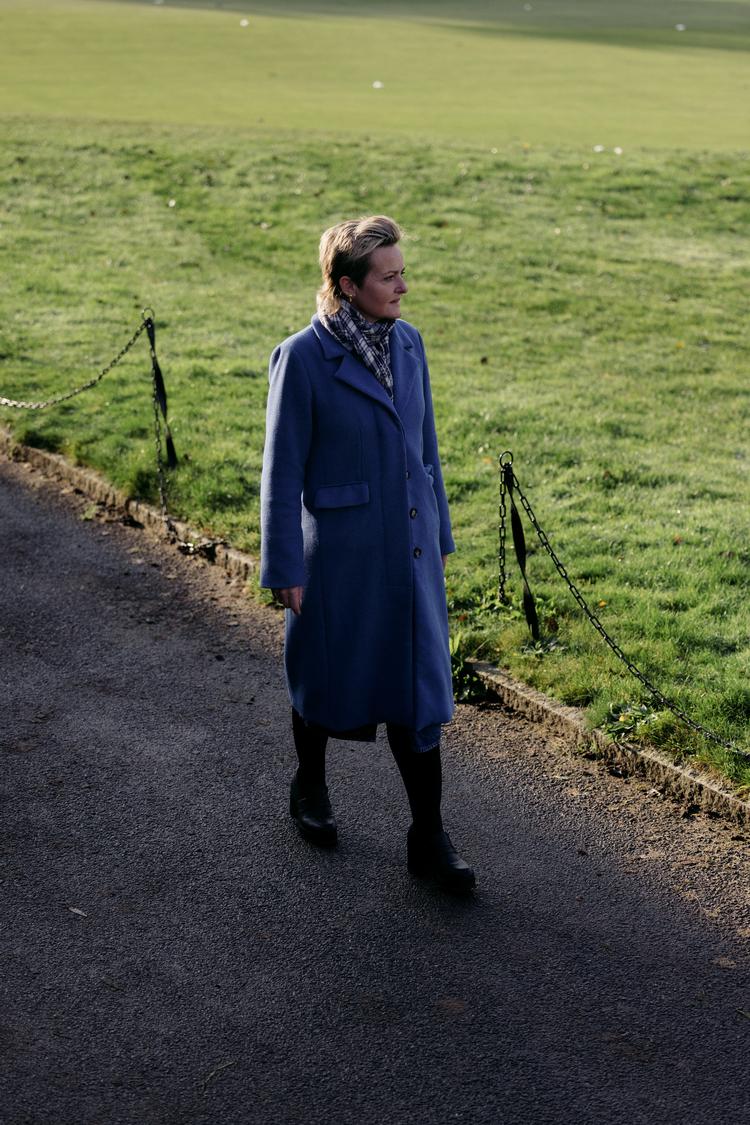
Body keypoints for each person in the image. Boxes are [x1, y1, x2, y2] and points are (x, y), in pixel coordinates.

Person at [260, 215, 475, 892]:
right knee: (326, 680)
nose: (404, 286)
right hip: (338, 558)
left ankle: (428, 835)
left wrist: (439, 536)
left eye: (402, 271)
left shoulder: (409, 344)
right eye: (389, 276)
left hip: (409, 550)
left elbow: (426, 450)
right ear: (348, 285)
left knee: (418, 692)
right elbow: (281, 469)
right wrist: (284, 564)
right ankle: (310, 784)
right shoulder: (301, 357)